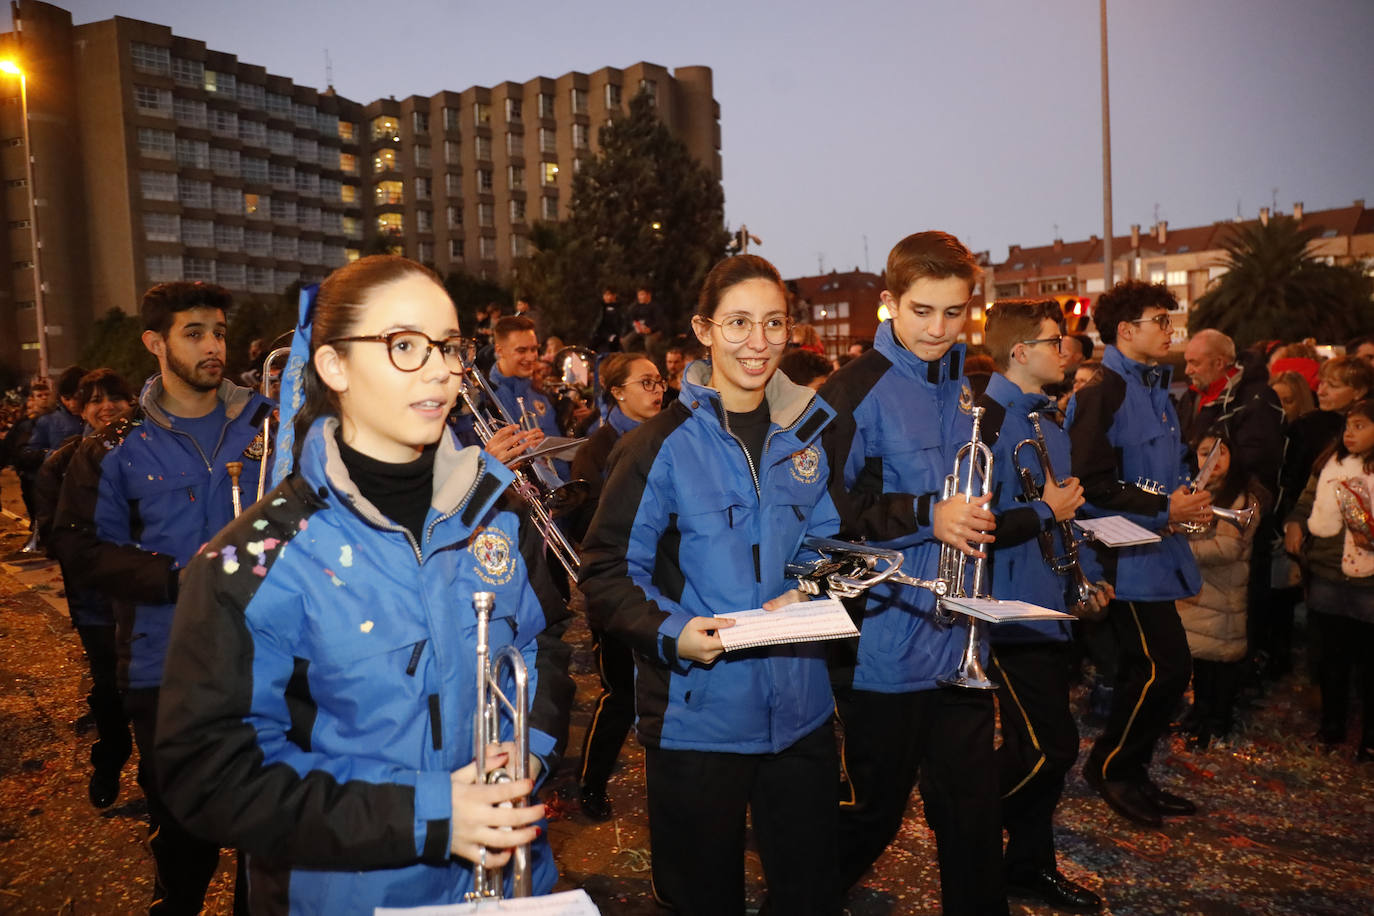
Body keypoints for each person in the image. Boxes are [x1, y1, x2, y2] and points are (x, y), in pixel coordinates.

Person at [154, 255, 575, 912]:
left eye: (449, 346)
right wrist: (430, 815)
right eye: (404, 345)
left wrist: (530, 758)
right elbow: (211, 770)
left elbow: (543, 650)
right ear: (334, 366)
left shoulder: (496, 515)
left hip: (509, 886)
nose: (440, 369)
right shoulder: (255, 558)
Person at [580, 254, 844, 916]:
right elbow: (606, 568)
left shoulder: (809, 431)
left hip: (801, 715)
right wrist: (674, 634)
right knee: (703, 901)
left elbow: (828, 542)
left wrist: (815, 584)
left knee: (810, 895)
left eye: (773, 323)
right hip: (700, 718)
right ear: (704, 329)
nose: (758, 342)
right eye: (738, 322)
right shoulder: (657, 445)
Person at [55, 281, 273, 914]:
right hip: (166, 665)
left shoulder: (269, 424)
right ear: (155, 343)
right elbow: (79, 545)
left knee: (267, 833)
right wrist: (179, 579)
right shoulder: (116, 444)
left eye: (219, 332)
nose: (213, 346)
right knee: (185, 833)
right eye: (194, 333)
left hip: (269, 660)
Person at [818, 231, 1008, 915]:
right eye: (922, 311)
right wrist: (932, 512)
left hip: (959, 637)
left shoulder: (969, 387)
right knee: (873, 812)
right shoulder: (852, 389)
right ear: (889, 303)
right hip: (884, 647)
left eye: (953, 313)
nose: (938, 329)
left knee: (974, 816)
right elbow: (823, 515)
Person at [978, 299, 1109, 911]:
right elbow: (975, 526)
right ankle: (964, 822)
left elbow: (1068, 516)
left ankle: (1027, 864)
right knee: (1049, 748)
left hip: (1049, 601)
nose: (1068, 351)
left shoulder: (1048, 420)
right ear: (1019, 353)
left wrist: (1091, 576)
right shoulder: (984, 422)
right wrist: (1045, 512)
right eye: (1056, 341)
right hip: (1006, 609)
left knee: (1049, 754)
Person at [1066, 280, 1210, 829]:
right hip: (1123, 559)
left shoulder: (1156, 387)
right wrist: (1161, 506)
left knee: (1152, 671)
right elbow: (1091, 481)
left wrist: (1191, 493)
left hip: (1155, 552)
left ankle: (1129, 768)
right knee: (1162, 669)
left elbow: (1164, 468)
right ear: (1126, 331)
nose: (1170, 331)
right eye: (1161, 321)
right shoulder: (1104, 390)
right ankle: (1113, 768)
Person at [570, 353, 666, 821]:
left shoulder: (671, 435)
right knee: (620, 694)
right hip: (619, 591)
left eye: (660, 380)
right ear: (618, 393)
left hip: (664, 589)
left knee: (663, 692)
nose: (658, 389)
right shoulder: (597, 449)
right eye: (645, 382)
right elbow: (591, 528)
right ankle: (591, 783)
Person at [36, 368, 136, 809]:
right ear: (79, 408)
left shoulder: (158, 453)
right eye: (94, 400)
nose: (107, 407)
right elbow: (56, 536)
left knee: (158, 692)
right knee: (110, 687)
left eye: (115, 397)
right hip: (97, 603)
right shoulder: (61, 462)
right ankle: (110, 759)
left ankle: (159, 781)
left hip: (153, 597)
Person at [1284, 399, 1374, 761]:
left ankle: (1369, 735)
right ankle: (1331, 725)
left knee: (1369, 663)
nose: (1350, 434)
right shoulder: (1330, 463)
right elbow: (1306, 502)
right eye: (1347, 426)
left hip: (1369, 581)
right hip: (1327, 573)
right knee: (1329, 658)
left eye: (1361, 426)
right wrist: (1294, 523)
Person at [1177, 433, 1265, 750]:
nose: (1210, 461)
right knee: (1201, 660)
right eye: (1204, 453)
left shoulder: (1241, 499)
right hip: (1200, 592)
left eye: (1220, 453)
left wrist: (1182, 549)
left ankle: (1218, 721)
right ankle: (1199, 714)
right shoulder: (1198, 492)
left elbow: (1228, 548)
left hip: (1224, 594)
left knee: (1222, 663)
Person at [589, 287, 625, 352]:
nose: (607, 297)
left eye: (609, 295)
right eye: (605, 295)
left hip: (614, 334)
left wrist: (621, 335)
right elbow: (597, 323)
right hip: (601, 334)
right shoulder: (602, 308)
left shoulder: (620, 308)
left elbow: (623, 323)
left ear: (614, 295)